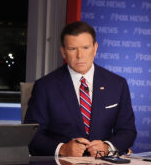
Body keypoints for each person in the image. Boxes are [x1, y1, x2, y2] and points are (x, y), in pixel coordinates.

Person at [25, 21, 137, 157]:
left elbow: (127, 131)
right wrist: (62, 149)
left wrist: (107, 147)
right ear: (63, 52)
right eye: (72, 49)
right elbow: (31, 136)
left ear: (95, 48)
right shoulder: (45, 86)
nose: (80, 55)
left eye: (85, 48)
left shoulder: (118, 84)